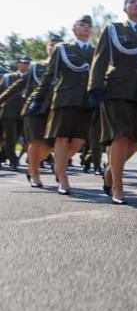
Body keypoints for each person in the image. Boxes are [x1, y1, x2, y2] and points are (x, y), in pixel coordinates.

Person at [88, 0, 137, 204]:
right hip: (117, 90)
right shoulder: (113, 29)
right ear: (125, 7)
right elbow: (100, 59)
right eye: (133, 1)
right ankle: (118, 188)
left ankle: (110, 171)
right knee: (119, 136)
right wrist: (95, 86)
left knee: (135, 141)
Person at [28, 16, 96, 195]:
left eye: (89, 26)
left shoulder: (95, 51)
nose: (86, 28)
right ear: (74, 29)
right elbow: (50, 75)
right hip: (65, 99)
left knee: (79, 141)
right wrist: (38, 97)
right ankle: (63, 178)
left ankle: (58, 163)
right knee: (62, 138)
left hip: (86, 101)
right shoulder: (63, 49)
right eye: (82, 25)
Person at [0, 39, 62, 185]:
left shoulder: (68, 68)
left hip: (55, 111)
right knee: (35, 141)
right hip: (35, 110)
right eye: (51, 46)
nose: (54, 49)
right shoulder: (37, 68)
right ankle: (34, 173)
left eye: (58, 46)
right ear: (48, 49)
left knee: (49, 145)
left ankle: (34, 167)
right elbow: (17, 86)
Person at [0, 56, 31, 171]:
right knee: (10, 138)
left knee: (18, 136)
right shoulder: (8, 77)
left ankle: (3, 157)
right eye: (24, 62)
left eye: (28, 63)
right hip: (9, 112)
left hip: (24, 112)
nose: (26, 65)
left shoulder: (31, 77)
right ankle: (13, 162)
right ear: (18, 64)